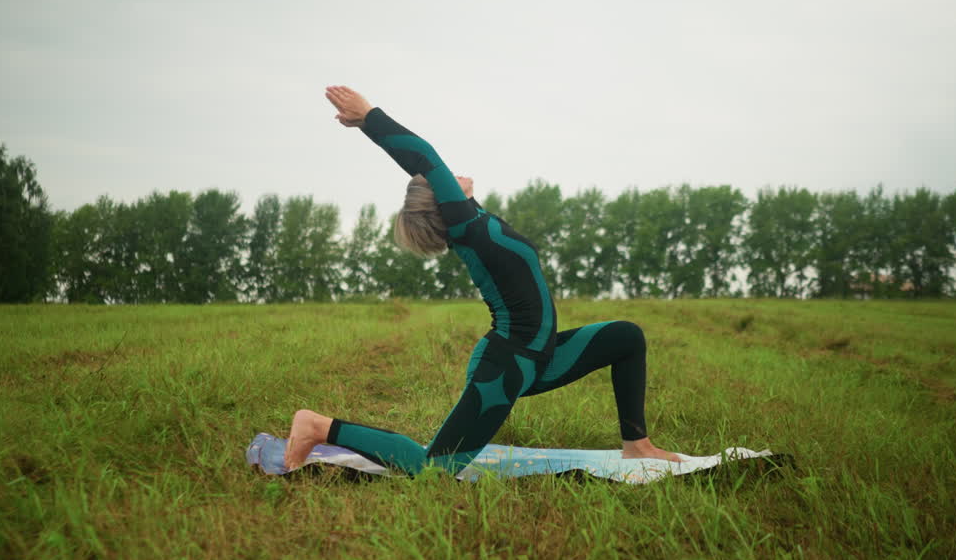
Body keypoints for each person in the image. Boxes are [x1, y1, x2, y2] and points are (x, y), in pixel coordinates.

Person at [283, 85, 682, 474]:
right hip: (507, 364)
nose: (451, 174)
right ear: (443, 201)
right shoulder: (465, 228)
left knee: (626, 337)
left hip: (544, 357)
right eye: (442, 180)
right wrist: (369, 117)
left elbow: (444, 179)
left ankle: (636, 444)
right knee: (433, 468)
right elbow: (424, 157)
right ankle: (319, 426)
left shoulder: (476, 220)